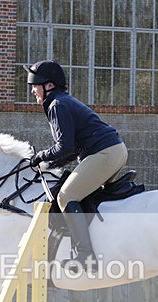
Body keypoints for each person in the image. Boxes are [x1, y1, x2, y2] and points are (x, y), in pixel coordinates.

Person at [24, 60, 128, 272]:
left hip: (104, 153)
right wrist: (48, 163)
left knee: (66, 196)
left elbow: (64, 146)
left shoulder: (57, 105)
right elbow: (70, 151)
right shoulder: (61, 101)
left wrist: (40, 157)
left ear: (49, 86)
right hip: (113, 150)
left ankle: (85, 256)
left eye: (35, 85)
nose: (33, 90)